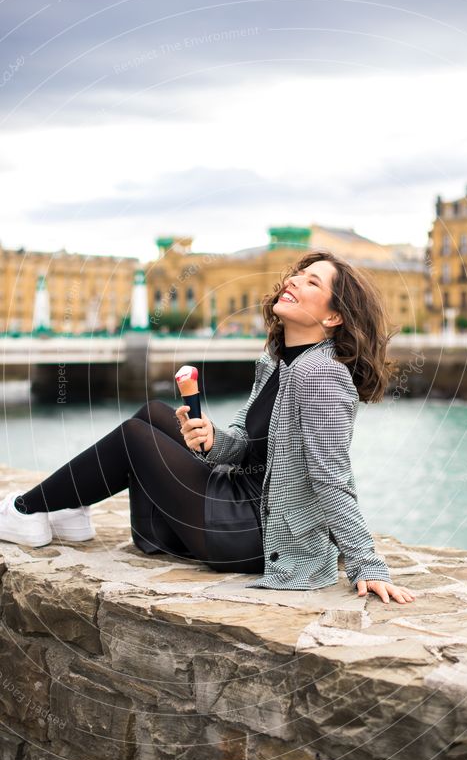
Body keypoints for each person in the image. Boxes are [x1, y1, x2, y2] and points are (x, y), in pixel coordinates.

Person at [0, 250, 415, 604]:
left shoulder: (321, 374)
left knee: (133, 438)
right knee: (153, 413)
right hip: (242, 505)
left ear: (333, 317)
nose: (293, 281)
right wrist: (214, 440)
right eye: (296, 274)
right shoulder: (276, 360)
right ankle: (71, 509)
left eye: (312, 282)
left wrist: (366, 561)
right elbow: (251, 446)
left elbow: (331, 475)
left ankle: (25, 510)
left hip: (254, 531)